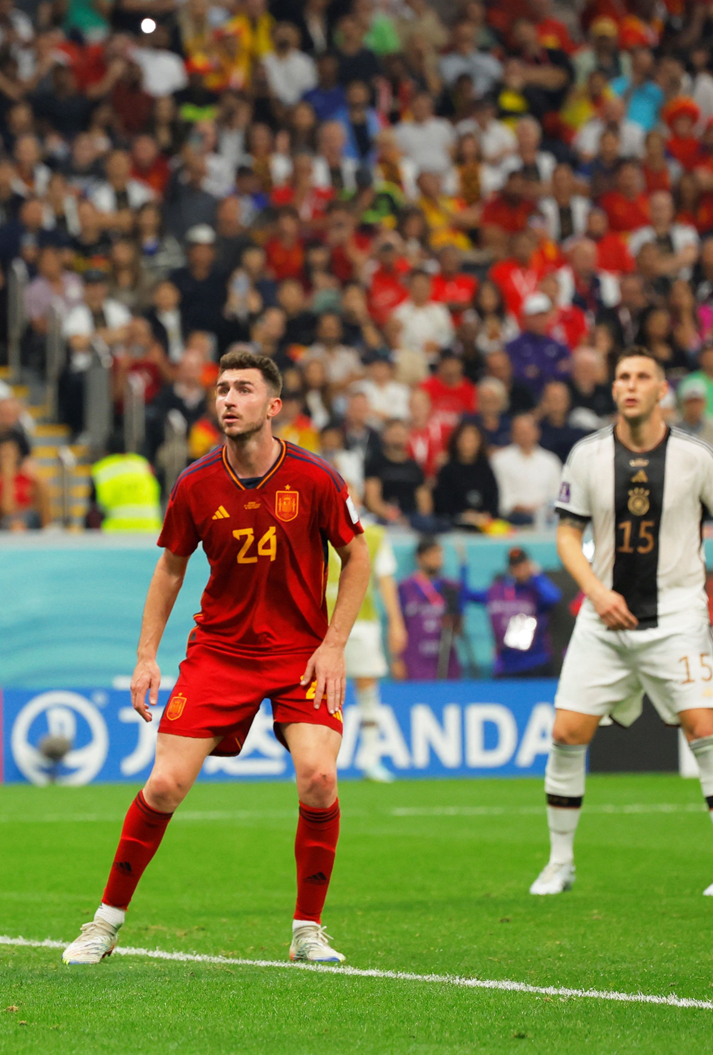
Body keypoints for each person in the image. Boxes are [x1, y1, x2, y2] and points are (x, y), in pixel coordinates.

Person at [63, 351, 371, 968]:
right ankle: (104, 922)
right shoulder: (196, 483)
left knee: (319, 777)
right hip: (221, 654)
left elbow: (355, 556)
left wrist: (334, 645)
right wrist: (147, 656)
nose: (229, 399)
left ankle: (308, 930)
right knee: (166, 784)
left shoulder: (315, 478)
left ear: (273, 406)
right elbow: (171, 569)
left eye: (244, 389)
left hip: (298, 655)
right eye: (222, 389)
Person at [539, 351, 713, 898]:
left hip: (677, 615)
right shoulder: (586, 456)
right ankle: (559, 862)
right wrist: (597, 591)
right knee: (566, 734)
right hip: (604, 619)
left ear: (662, 390)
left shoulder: (696, 456)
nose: (629, 385)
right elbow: (567, 535)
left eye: (640, 377)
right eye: (621, 377)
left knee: (705, 729)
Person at [328, 522, 404, 783]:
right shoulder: (311, 527)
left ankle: (371, 759)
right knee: (317, 693)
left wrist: (396, 622)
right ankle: (316, 762)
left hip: (362, 623)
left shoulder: (373, 536)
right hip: (320, 624)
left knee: (367, 688)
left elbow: (385, 581)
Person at [461, 547, 564, 678]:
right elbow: (465, 594)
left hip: (536, 663)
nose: (519, 569)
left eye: (522, 564)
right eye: (515, 565)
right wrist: (463, 566)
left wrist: (537, 575)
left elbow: (554, 597)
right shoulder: (496, 591)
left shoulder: (534, 591)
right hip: (506, 665)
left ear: (529, 565)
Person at [396, 536, 465, 680]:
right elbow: (397, 625)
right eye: (432, 554)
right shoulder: (405, 588)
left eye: (439, 554)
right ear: (420, 558)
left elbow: (459, 628)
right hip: (415, 662)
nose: (437, 558)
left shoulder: (450, 587)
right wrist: (397, 660)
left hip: (445, 660)